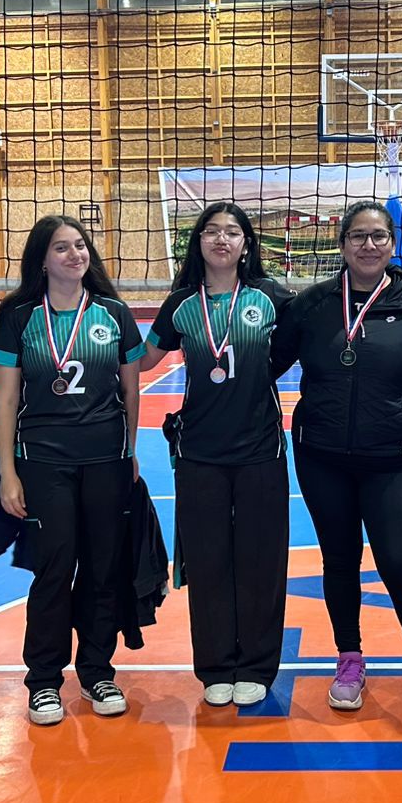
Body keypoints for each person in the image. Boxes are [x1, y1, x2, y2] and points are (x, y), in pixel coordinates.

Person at [272, 201, 402, 725]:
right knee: (339, 560)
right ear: (342, 242)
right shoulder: (313, 303)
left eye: (378, 237)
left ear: (392, 244)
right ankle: (349, 660)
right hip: (322, 456)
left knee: (398, 562)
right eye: (358, 236)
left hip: (392, 459)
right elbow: (268, 362)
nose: (368, 246)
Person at [0, 216, 145, 726]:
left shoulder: (114, 313)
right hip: (43, 461)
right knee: (54, 568)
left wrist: (131, 451)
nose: (75, 255)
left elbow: (130, 390)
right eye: (62, 248)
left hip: (106, 458)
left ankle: (98, 670)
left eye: (80, 246)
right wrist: (8, 472)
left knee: (103, 567)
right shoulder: (17, 317)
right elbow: (7, 397)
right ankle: (44, 681)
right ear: (42, 259)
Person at [139, 203, 293, 708]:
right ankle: (215, 666)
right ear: (198, 243)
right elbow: (141, 361)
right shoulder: (182, 303)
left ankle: (256, 664)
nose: (222, 239)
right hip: (199, 451)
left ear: (246, 243)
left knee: (260, 561)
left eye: (232, 232)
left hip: (260, 450)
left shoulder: (271, 299)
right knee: (206, 563)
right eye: (212, 231)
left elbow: (309, 346)